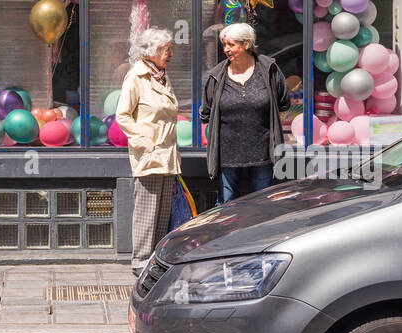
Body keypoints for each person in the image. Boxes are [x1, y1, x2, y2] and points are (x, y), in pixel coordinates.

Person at [114, 27, 181, 276]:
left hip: (167, 155)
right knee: (146, 211)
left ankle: (155, 260)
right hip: (151, 154)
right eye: (167, 49)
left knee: (162, 212)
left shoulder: (161, 76)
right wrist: (145, 142)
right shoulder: (137, 76)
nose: (170, 54)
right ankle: (140, 261)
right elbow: (123, 115)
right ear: (152, 51)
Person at [200, 22, 288, 206]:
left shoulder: (269, 70)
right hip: (227, 156)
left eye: (231, 45)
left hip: (263, 154)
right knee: (225, 207)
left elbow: (283, 102)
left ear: (246, 44)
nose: (226, 49)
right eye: (224, 45)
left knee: (262, 205)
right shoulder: (217, 75)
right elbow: (206, 112)